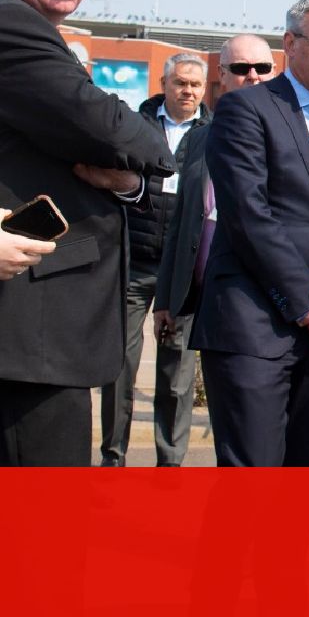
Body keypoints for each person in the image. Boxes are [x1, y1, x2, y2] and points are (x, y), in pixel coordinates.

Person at [0, 0, 175, 466]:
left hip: (41, 333)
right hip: (26, 336)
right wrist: (150, 146)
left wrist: (128, 180)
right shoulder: (11, 23)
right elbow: (104, 124)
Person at [189, 0, 309, 467]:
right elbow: (250, 217)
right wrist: (308, 304)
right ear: (290, 44)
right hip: (253, 327)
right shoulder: (247, 110)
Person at [150, 35, 274, 466]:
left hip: (257, 299)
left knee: (246, 412)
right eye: (240, 69)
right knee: (175, 385)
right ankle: (170, 471)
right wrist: (166, 297)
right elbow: (183, 219)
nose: (251, 77)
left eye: (261, 68)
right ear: (221, 76)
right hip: (197, 285)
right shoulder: (201, 140)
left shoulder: (291, 135)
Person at [99, 51, 210, 467]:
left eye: (196, 85)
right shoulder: (135, 124)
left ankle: (170, 463)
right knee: (119, 366)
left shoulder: (213, 132)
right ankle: (113, 457)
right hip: (133, 263)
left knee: (177, 375)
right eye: (181, 83)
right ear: (164, 84)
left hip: (182, 270)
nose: (188, 91)